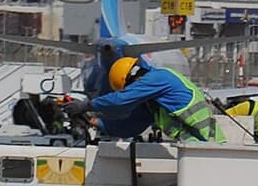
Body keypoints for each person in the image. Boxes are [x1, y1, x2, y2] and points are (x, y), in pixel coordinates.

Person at [87, 50, 226, 144]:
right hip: (197, 147)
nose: (132, 91)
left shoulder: (159, 78)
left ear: (132, 78)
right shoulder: (154, 101)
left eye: (129, 87)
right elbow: (131, 127)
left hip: (209, 146)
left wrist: (87, 105)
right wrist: (95, 122)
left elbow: (120, 100)